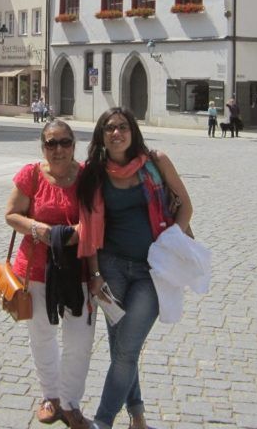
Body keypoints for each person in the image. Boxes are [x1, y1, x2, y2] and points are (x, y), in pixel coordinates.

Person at [77, 107, 193, 429]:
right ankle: (138, 417)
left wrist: (171, 243)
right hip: (111, 270)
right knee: (122, 351)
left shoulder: (156, 163)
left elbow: (186, 205)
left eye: (122, 126)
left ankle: (102, 421)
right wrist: (95, 274)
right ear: (102, 135)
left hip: (151, 272)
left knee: (127, 348)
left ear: (133, 131)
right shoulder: (94, 173)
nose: (117, 133)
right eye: (110, 128)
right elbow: (87, 228)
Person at [5, 120, 95, 429]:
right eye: (50, 143)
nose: (58, 149)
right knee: (42, 334)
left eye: (64, 142)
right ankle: (51, 397)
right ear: (43, 147)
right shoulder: (31, 174)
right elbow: (11, 214)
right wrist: (37, 228)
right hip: (36, 271)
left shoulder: (86, 178)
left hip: (78, 270)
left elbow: (97, 219)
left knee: (79, 340)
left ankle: (71, 403)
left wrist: (76, 233)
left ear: (74, 144)